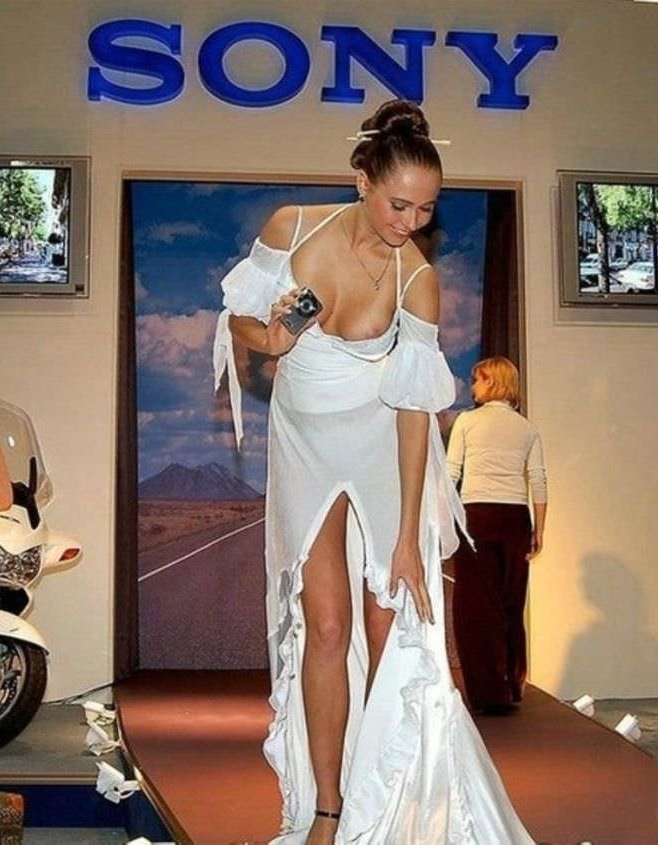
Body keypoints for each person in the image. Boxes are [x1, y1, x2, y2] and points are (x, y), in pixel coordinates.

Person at [214, 101, 534, 844]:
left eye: (425, 210)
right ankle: (328, 808)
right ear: (362, 180)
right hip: (303, 442)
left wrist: (407, 536)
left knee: (392, 624)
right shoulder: (292, 228)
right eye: (398, 205)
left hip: (381, 446)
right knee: (324, 627)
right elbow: (238, 321)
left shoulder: (417, 278)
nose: (409, 223)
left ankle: (387, 808)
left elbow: (415, 409)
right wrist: (270, 337)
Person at [446, 356, 548, 715]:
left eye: (477, 380)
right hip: (515, 518)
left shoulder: (467, 422)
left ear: (491, 381)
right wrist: (539, 528)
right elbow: (538, 479)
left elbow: (451, 473)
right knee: (510, 603)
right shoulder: (526, 428)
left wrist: (441, 519)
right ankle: (512, 682)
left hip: (476, 516)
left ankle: (488, 692)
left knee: (475, 607)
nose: (473, 386)